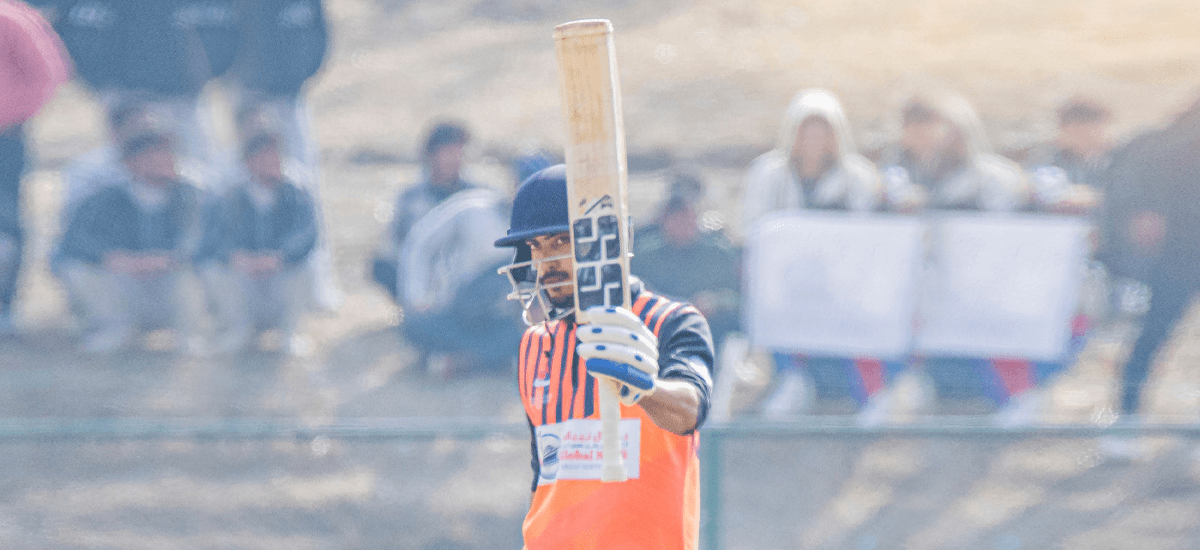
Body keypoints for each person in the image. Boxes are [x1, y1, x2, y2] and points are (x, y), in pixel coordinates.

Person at [494, 166, 714, 549]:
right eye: (536, 247)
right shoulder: (534, 344)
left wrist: (645, 388)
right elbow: (545, 476)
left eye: (561, 241)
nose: (546, 262)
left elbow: (690, 411)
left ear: (607, 242)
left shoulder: (672, 321)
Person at [878, 93, 1032, 416]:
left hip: (982, 282)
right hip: (930, 282)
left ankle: (1014, 396)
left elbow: (1009, 234)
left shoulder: (994, 178)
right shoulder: (900, 176)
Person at [740, 89, 885, 418]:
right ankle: (792, 379)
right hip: (786, 277)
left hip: (842, 280)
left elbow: (868, 234)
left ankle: (871, 395)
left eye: (823, 132)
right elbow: (754, 227)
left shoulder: (857, 177)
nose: (814, 140)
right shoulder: (769, 174)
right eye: (807, 132)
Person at [1102, 98, 1200, 432]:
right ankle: (1127, 416)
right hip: (1178, 254)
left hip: (1177, 252)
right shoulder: (1161, 143)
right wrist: (1141, 208)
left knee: (1151, 334)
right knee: (1153, 334)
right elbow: (1122, 177)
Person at [57, 130, 203, 353]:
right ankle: (114, 330)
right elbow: (74, 242)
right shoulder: (106, 199)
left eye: (166, 154)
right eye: (151, 156)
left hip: (170, 281)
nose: (161, 161)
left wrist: (170, 259)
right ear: (130, 163)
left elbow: (203, 239)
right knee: (77, 269)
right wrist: (115, 259)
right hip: (123, 283)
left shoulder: (189, 196)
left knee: (203, 269)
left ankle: (190, 334)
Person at [50, 0, 240, 162]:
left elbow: (230, 28)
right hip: (122, 99)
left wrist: (204, 76)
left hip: (182, 99)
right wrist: (99, 82)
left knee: (198, 168)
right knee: (122, 172)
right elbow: (66, 31)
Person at [196, 130, 317, 354]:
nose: (271, 163)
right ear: (248, 162)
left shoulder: (296, 193)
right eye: (263, 157)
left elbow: (306, 235)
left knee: (305, 268)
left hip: (280, 271)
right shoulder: (231, 196)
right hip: (243, 274)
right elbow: (215, 238)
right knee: (214, 270)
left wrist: (279, 257)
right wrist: (238, 257)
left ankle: (289, 333)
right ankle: (238, 330)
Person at [0, 0, 70, 334]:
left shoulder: (10, 18)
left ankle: (4, 305)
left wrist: (9, 116)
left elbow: (49, 74)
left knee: (5, 224)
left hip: (5, 139)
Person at [371, 121, 477, 303]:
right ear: (431, 155)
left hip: (464, 276)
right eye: (448, 152)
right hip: (420, 274)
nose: (455, 159)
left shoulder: (476, 196)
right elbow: (394, 246)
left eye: (460, 152)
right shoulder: (411, 200)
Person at [633, 169, 740, 346]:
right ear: (663, 220)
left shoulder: (718, 254)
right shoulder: (644, 255)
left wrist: (714, 302)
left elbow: (740, 299)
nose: (681, 223)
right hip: (657, 336)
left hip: (709, 336)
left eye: (686, 216)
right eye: (675, 217)